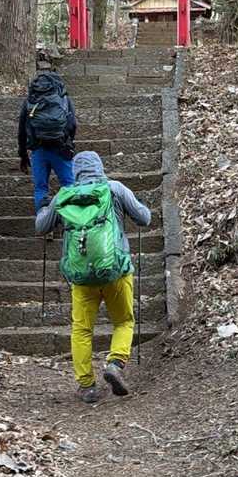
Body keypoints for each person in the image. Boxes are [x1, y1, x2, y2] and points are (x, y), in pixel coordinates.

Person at [36, 151, 152, 404]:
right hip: (116, 272)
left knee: (81, 329)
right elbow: (144, 218)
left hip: (81, 278)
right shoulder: (115, 189)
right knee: (123, 321)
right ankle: (115, 363)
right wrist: (139, 204)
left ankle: (86, 386)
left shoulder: (65, 195)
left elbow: (41, 227)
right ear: (100, 168)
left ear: (75, 171)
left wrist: (45, 207)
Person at [19, 71, 77, 210]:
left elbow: (22, 129)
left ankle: (42, 220)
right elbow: (72, 124)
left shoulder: (30, 101)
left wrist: (23, 154)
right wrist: (68, 142)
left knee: (41, 188)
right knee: (69, 185)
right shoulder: (63, 98)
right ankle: (71, 220)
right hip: (61, 148)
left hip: (38, 149)